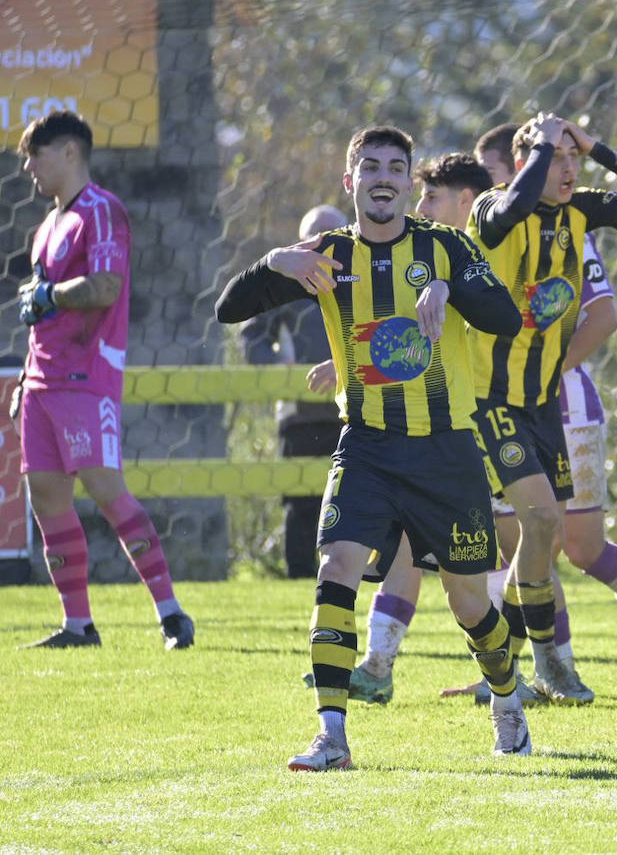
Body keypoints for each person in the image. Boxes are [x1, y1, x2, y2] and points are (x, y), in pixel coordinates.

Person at [215, 125, 532, 766]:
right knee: (335, 572)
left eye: (395, 167)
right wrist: (277, 262)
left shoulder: (446, 246)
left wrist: (450, 289)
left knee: (470, 605)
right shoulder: (327, 255)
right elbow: (230, 309)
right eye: (370, 166)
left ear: (410, 182)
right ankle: (332, 735)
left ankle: (506, 700)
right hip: (366, 446)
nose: (383, 176)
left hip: (446, 451)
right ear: (350, 181)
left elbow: (504, 316)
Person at [467, 112, 617, 704]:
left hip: (542, 404)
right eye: (552, 156)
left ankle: (509, 661)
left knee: (549, 532)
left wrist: (598, 147)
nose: (565, 167)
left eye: (571, 157)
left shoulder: (579, 212)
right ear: (524, 159)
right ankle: (541, 664)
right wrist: (538, 147)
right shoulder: (490, 207)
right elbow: (509, 211)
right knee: (537, 525)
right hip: (492, 400)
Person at [12, 110, 195, 651]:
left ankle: (171, 614)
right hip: (42, 377)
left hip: (86, 374)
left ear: (69, 151)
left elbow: (107, 286)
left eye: (35, 154)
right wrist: (24, 377)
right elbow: (43, 311)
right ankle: (78, 625)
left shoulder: (102, 210)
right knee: (45, 493)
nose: (28, 167)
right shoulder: (47, 225)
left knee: (104, 486)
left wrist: (52, 294)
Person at [239, 204, 348, 578]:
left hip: (356, 411)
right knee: (300, 504)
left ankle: (356, 581)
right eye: (315, 237)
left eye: (334, 234)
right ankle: (299, 578)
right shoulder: (286, 286)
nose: (324, 245)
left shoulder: (363, 277)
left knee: (355, 502)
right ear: (301, 242)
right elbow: (252, 333)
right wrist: (273, 369)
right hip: (299, 414)